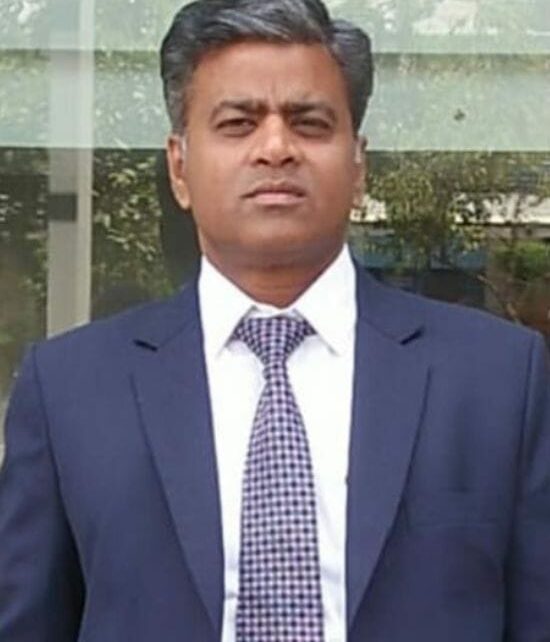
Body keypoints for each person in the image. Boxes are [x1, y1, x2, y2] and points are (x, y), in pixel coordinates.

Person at [1, 0, 549, 640]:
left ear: (358, 164)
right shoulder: (69, 390)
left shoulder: (498, 379)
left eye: (309, 123)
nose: (276, 147)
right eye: (237, 123)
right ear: (179, 167)